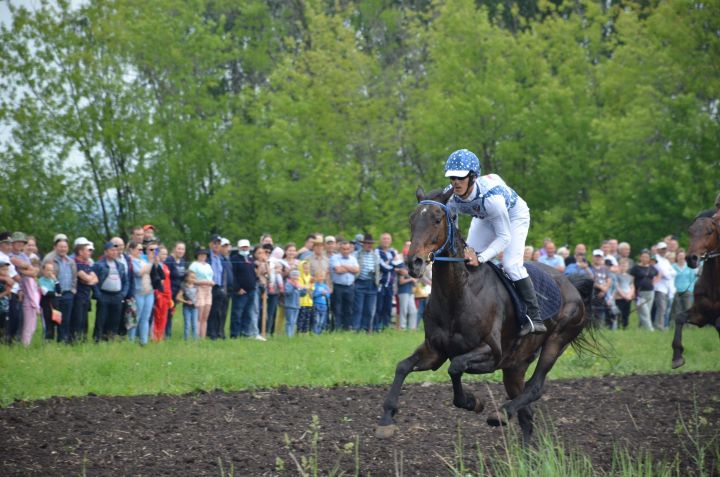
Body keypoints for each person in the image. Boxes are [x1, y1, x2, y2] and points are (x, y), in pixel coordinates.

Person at [442, 149, 546, 335]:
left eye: (461, 177)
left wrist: (481, 258)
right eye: (452, 178)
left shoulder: (493, 200)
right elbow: (454, 230)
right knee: (465, 260)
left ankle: (535, 317)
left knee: (511, 264)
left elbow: (504, 237)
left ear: (473, 177)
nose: (455, 182)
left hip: (514, 216)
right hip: (483, 217)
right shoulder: (449, 196)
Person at [41, 234, 77, 343]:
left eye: (65, 247)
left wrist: (73, 290)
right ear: (55, 247)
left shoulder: (70, 261)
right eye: (60, 246)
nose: (63, 249)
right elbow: (44, 275)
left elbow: (74, 276)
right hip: (54, 295)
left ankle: (63, 341)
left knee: (66, 319)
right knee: (53, 319)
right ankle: (49, 340)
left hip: (68, 294)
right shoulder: (50, 259)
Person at [92, 242, 129, 342]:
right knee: (101, 319)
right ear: (105, 252)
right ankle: (97, 339)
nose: (114, 252)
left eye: (116, 250)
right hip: (104, 295)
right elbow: (93, 280)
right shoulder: (99, 265)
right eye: (112, 250)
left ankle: (110, 339)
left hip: (117, 296)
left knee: (115, 319)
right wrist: (98, 294)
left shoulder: (120, 266)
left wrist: (123, 294)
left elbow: (126, 281)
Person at [229, 240, 260, 339]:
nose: (245, 249)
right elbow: (233, 275)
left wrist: (255, 281)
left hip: (251, 290)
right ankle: (235, 334)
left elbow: (252, 273)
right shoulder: (234, 259)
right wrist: (237, 288)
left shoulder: (250, 259)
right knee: (237, 313)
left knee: (247, 314)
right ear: (239, 248)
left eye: (246, 247)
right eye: (243, 247)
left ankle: (245, 332)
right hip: (241, 291)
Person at [127, 241, 154, 345]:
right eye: (139, 249)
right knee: (135, 317)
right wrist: (150, 263)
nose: (141, 251)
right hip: (138, 292)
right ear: (131, 250)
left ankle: (144, 342)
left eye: (142, 249)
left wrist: (152, 260)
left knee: (145, 318)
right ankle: (131, 341)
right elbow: (139, 273)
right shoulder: (131, 260)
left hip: (149, 291)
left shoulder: (143, 259)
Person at [72, 238, 98, 342]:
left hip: (86, 296)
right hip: (77, 297)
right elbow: (87, 278)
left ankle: (83, 340)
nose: (90, 253)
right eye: (88, 250)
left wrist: (89, 280)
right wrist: (89, 280)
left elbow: (96, 279)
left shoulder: (87, 264)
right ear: (80, 252)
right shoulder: (75, 264)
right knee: (77, 320)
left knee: (84, 320)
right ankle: (75, 340)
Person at [353, 234, 380, 332]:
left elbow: (377, 269)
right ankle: (356, 328)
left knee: (369, 309)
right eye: (367, 243)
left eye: (371, 244)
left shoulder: (376, 256)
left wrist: (376, 279)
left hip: (371, 283)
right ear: (363, 244)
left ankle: (365, 329)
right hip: (360, 282)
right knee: (358, 308)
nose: (369, 245)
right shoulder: (356, 254)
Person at [330, 240, 359, 330]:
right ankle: (337, 327)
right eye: (343, 249)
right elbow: (338, 270)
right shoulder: (334, 258)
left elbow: (357, 270)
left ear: (350, 249)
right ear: (340, 249)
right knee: (337, 308)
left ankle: (346, 327)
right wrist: (351, 268)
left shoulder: (353, 258)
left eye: (347, 249)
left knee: (349, 308)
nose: (345, 251)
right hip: (338, 286)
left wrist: (344, 266)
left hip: (350, 286)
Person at [207, 235, 232, 340]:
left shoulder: (221, 258)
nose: (217, 245)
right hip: (209, 286)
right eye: (215, 243)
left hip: (219, 287)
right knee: (211, 311)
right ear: (211, 244)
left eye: (218, 243)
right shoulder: (208, 257)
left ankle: (218, 332)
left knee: (219, 311)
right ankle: (211, 333)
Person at [629, 249, 658, 330]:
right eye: (643, 257)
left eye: (647, 257)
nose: (645, 258)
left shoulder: (652, 268)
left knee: (647, 312)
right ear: (640, 257)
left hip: (650, 292)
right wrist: (633, 291)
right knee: (644, 312)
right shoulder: (635, 267)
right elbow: (631, 280)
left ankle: (640, 328)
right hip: (640, 293)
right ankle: (651, 330)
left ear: (649, 258)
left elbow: (659, 274)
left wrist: (654, 282)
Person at [375, 233, 398, 331]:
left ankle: (386, 327)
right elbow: (383, 267)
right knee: (379, 307)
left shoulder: (393, 251)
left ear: (390, 241)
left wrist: (390, 262)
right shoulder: (377, 251)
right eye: (384, 239)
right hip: (380, 284)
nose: (386, 240)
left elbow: (400, 264)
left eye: (388, 239)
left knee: (388, 307)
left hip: (390, 284)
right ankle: (377, 327)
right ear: (380, 240)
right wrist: (393, 264)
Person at [188, 249, 214, 338]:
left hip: (208, 290)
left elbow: (210, 277)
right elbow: (190, 279)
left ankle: (203, 337)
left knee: (205, 315)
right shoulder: (194, 265)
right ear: (197, 255)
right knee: (199, 315)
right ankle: (196, 336)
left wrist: (211, 282)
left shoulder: (208, 266)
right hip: (199, 289)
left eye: (205, 254)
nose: (203, 256)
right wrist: (203, 282)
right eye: (201, 254)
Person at [164, 241, 187, 339]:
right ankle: (165, 334)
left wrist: (181, 292)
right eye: (179, 248)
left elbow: (183, 278)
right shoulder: (169, 260)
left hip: (177, 292)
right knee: (166, 313)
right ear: (174, 249)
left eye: (183, 249)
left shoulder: (182, 261)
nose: (181, 251)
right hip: (168, 292)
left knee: (171, 313)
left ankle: (168, 334)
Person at [652, 241, 675, 331]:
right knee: (661, 308)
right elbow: (664, 273)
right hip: (659, 287)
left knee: (665, 308)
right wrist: (668, 274)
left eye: (665, 249)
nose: (664, 251)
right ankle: (659, 325)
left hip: (667, 288)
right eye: (662, 249)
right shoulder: (655, 260)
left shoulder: (665, 260)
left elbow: (673, 272)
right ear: (658, 250)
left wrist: (668, 274)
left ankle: (662, 325)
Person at [670, 248, 696, 324]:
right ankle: (676, 324)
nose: (681, 258)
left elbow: (692, 279)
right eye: (679, 256)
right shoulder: (673, 267)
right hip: (676, 290)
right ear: (677, 257)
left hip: (687, 291)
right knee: (677, 309)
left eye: (682, 256)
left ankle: (689, 325)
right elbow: (671, 279)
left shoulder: (689, 266)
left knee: (688, 308)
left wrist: (690, 289)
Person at [589, 249, 612, 328]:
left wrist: (604, 290)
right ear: (593, 257)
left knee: (601, 311)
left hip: (603, 293)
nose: (598, 258)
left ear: (602, 258)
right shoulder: (589, 268)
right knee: (591, 310)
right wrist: (601, 287)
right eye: (596, 256)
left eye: (599, 257)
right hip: (592, 292)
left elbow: (609, 280)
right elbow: (590, 280)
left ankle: (599, 327)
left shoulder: (605, 269)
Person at [38, 261, 59, 341]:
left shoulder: (53, 280)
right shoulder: (40, 281)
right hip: (45, 305)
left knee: (54, 323)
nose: (50, 272)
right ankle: (45, 340)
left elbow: (59, 291)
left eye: (51, 270)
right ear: (43, 270)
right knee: (46, 324)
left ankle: (52, 340)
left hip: (54, 305)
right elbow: (46, 293)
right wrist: (56, 294)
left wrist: (56, 280)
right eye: (48, 270)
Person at [176, 270, 199, 340]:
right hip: (187, 308)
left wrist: (197, 301)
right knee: (187, 324)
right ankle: (187, 340)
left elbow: (198, 295)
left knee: (195, 325)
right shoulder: (183, 286)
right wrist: (186, 301)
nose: (193, 279)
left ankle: (195, 340)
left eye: (194, 277)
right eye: (192, 277)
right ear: (186, 278)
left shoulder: (196, 286)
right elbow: (178, 297)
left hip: (195, 308)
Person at [613, 258, 635, 329]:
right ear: (619, 266)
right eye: (622, 265)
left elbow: (632, 287)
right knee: (619, 312)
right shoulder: (616, 275)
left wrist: (629, 295)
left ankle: (625, 326)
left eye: (625, 266)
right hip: (619, 297)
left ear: (628, 267)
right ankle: (618, 326)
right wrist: (624, 295)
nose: (624, 267)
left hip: (628, 298)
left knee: (626, 312)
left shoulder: (630, 277)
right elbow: (617, 286)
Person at [284, 269, 306, 337]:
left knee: (294, 322)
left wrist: (304, 290)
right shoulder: (288, 284)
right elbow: (287, 292)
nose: (296, 277)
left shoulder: (298, 284)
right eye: (294, 275)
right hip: (289, 305)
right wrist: (294, 287)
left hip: (296, 305)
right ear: (291, 276)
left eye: (297, 275)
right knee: (289, 321)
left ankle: (292, 335)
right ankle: (288, 336)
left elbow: (301, 294)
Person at [396, 263, 418, 330]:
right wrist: (411, 279)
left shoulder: (412, 268)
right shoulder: (402, 266)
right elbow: (401, 281)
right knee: (404, 310)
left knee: (413, 310)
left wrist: (414, 281)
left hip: (410, 292)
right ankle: (402, 327)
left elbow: (415, 284)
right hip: (403, 291)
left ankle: (412, 328)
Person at [296, 261, 314, 334]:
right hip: (301, 301)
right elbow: (300, 287)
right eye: (305, 268)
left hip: (309, 301)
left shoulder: (310, 277)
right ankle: (299, 332)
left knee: (307, 318)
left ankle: (305, 332)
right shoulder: (299, 277)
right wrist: (307, 287)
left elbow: (312, 287)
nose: (306, 270)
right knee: (301, 318)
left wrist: (307, 287)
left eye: (308, 268)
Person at [312, 270, 331, 334]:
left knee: (322, 320)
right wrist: (320, 293)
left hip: (324, 305)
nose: (320, 278)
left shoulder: (325, 286)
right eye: (319, 276)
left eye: (322, 276)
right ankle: (315, 332)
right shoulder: (315, 285)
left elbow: (328, 296)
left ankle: (319, 332)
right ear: (316, 277)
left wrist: (326, 294)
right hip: (316, 304)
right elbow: (313, 295)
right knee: (316, 320)